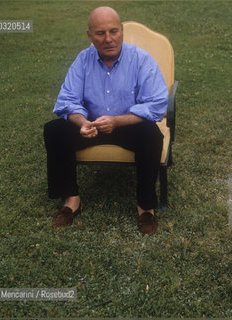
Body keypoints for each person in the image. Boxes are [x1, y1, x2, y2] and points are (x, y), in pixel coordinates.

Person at [43, 6, 168, 235]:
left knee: (151, 135)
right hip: (91, 125)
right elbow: (67, 100)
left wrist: (118, 121)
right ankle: (71, 200)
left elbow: (156, 103)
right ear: (89, 35)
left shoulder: (140, 59)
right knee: (55, 130)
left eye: (114, 31)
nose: (108, 39)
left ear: (121, 31)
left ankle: (146, 208)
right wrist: (81, 122)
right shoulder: (82, 60)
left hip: (128, 124)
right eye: (100, 33)